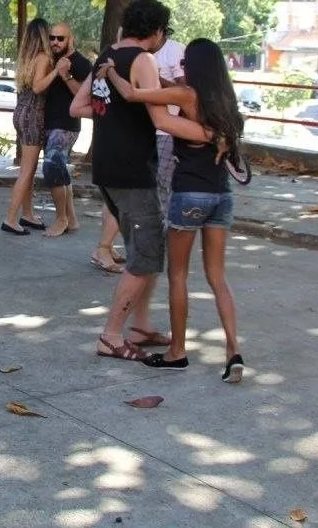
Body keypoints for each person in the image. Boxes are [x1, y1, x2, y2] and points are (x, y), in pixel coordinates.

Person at [69, 0, 214, 363]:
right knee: (146, 254)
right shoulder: (143, 60)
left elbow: (79, 107)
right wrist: (212, 132)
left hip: (106, 167)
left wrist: (113, 114)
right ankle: (111, 335)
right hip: (134, 170)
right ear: (158, 31)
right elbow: (162, 120)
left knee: (146, 252)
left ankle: (142, 324)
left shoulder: (107, 55)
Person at [101, 38, 245, 382]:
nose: (180, 68)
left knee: (178, 276)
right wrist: (163, 85)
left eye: (185, 62)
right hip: (221, 197)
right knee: (217, 278)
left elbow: (138, 98)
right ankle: (233, 351)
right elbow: (170, 90)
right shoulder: (224, 100)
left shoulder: (188, 95)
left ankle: (177, 351)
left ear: (195, 66)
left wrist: (111, 74)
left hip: (190, 195)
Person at [1, 18, 62, 235]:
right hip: (33, 115)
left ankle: (27, 214)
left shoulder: (26, 58)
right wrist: (57, 71)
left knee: (28, 168)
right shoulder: (44, 58)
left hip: (21, 112)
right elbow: (38, 87)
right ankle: (10, 218)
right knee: (27, 170)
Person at [41, 22, 93, 238]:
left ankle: (60, 218)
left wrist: (66, 75)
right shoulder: (50, 59)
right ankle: (71, 219)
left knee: (51, 169)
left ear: (70, 39)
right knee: (60, 170)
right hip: (51, 123)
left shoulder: (80, 63)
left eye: (60, 38)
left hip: (66, 125)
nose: (55, 42)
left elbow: (86, 95)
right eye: (52, 37)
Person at [153, 35, 187, 212]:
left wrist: (156, 79)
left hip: (167, 129)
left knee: (163, 182)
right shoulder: (141, 52)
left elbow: (184, 91)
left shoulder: (174, 50)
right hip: (144, 128)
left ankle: (168, 228)